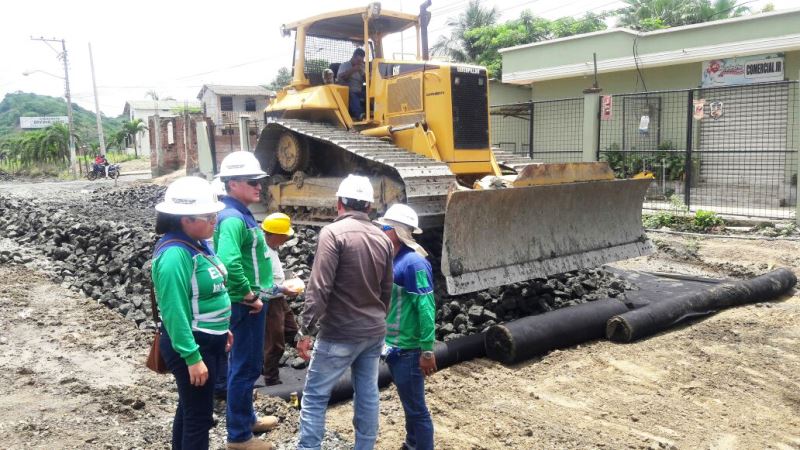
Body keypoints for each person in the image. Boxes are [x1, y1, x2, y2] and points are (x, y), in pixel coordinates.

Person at [295, 174, 394, 450]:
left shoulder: (333, 233)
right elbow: (387, 289)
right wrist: (376, 319)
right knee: (367, 393)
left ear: (339, 202)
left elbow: (319, 287)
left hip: (339, 333)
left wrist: (305, 331)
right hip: (373, 333)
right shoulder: (383, 238)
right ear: (369, 206)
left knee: (315, 397)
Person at [152, 176, 232, 449]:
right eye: (208, 216)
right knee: (199, 418)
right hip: (194, 344)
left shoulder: (197, 243)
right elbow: (174, 311)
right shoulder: (175, 255)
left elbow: (209, 292)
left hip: (209, 339)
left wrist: (223, 328)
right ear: (185, 219)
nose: (214, 221)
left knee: (189, 410)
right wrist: (192, 357)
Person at [213, 151, 277, 450]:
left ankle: (246, 419)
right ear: (232, 183)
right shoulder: (231, 218)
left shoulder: (239, 213)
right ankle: (239, 437)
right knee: (245, 367)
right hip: (245, 304)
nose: (258, 186)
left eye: (258, 181)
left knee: (247, 364)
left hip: (249, 301)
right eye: (252, 181)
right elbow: (229, 261)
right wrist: (249, 295)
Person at [375, 204, 436, 450]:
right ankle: (412, 444)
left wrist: (427, 351)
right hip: (394, 346)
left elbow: (426, 308)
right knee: (410, 405)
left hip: (409, 350)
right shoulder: (393, 259)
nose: (381, 231)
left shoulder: (414, 264)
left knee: (416, 409)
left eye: (385, 228)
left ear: (397, 231)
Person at [260, 212, 301, 386]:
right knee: (275, 343)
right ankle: (271, 378)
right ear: (275, 234)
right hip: (270, 300)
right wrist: (283, 288)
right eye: (284, 235)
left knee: (291, 329)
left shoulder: (271, 249)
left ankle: (263, 359)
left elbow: (274, 274)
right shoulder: (262, 252)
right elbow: (260, 284)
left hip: (279, 298)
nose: (286, 239)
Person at [336, 48, 366, 120]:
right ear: (354, 57)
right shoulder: (345, 65)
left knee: (369, 93)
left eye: (361, 61)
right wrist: (354, 69)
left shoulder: (362, 67)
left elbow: (368, 81)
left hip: (359, 91)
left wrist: (363, 74)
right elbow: (342, 78)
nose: (360, 63)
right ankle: (359, 115)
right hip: (348, 91)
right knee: (351, 94)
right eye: (358, 61)